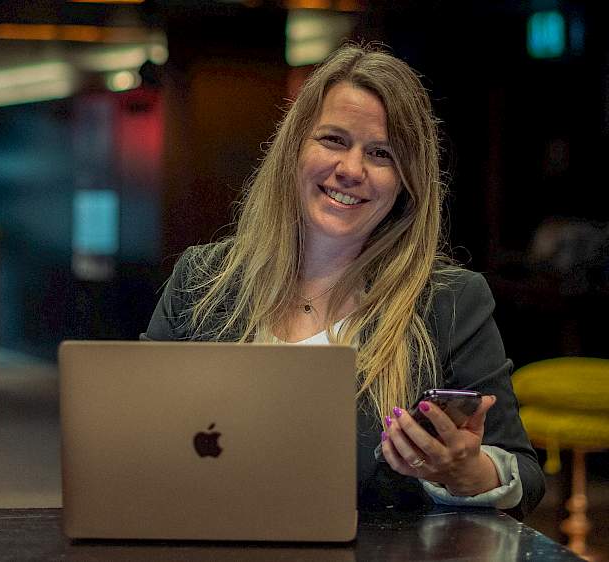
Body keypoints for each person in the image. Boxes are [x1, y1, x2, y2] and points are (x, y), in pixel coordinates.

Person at [143, 43, 544, 519]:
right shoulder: (201, 279)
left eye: (381, 153)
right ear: (294, 147)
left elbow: (525, 476)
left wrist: (467, 473)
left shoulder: (452, 301)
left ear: (407, 180)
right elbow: (134, 430)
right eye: (333, 140)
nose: (351, 170)